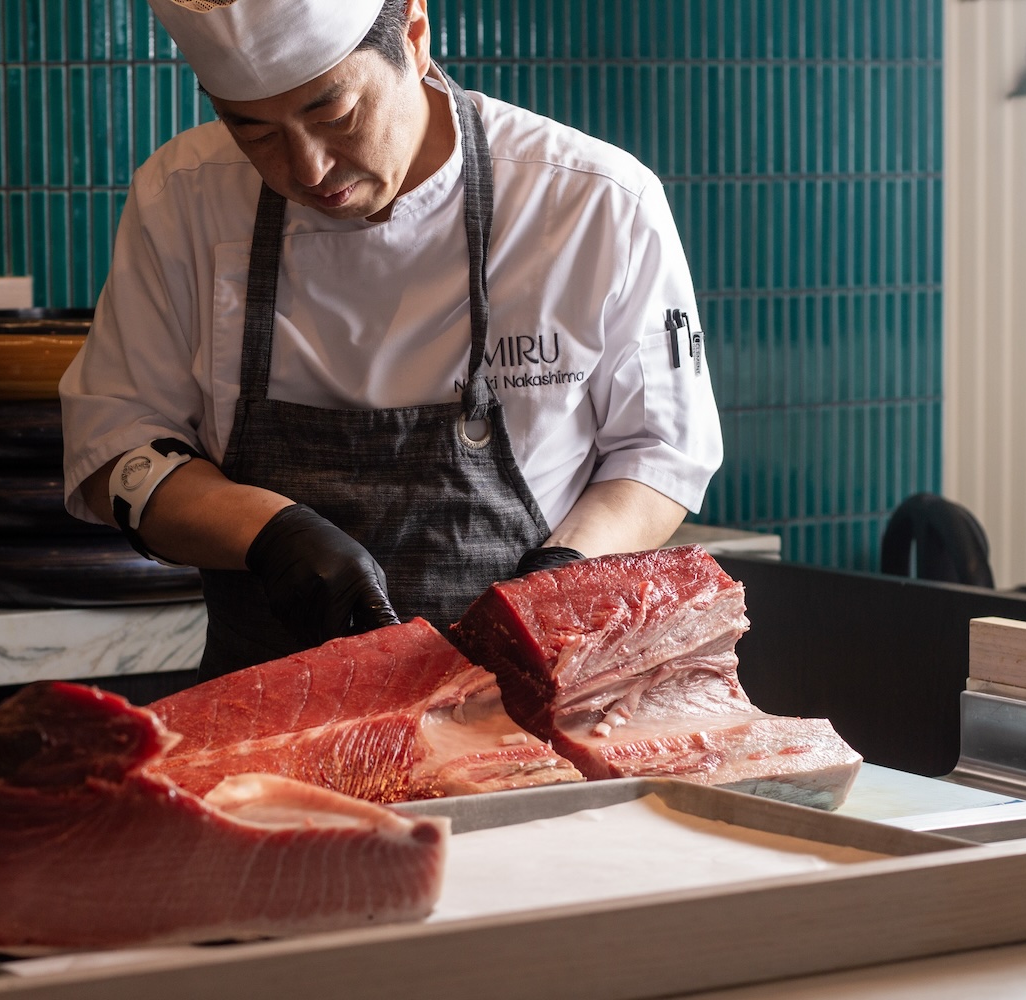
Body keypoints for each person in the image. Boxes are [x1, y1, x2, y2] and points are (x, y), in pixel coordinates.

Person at [59, 0, 723, 679]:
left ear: (414, 34)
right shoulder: (182, 198)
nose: (308, 168)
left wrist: (561, 576)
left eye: (334, 115)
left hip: (528, 694)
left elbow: (658, 454)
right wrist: (268, 530)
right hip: (267, 711)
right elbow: (116, 445)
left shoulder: (594, 201)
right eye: (253, 132)